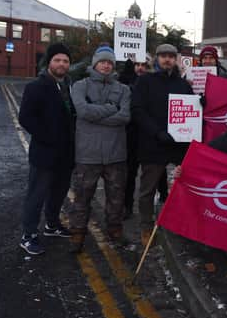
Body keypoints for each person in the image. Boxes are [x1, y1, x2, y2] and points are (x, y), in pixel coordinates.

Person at [131, 43, 195, 247]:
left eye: (171, 56)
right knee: (148, 189)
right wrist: (157, 132)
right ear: (157, 59)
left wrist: (199, 103)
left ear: (176, 59)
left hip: (178, 145)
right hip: (153, 143)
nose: (167, 59)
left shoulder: (183, 84)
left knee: (182, 186)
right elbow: (138, 110)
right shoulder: (145, 81)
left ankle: (180, 222)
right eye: (163, 56)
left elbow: (190, 112)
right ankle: (146, 226)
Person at [68, 46, 131, 252]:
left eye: (110, 62)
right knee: (82, 197)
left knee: (116, 198)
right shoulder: (80, 85)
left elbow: (125, 117)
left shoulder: (124, 89)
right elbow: (83, 111)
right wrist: (111, 108)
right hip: (88, 154)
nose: (106, 65)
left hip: (115, 154)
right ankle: (77, 234)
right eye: (102, 61)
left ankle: (115, 231)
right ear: (95, 63)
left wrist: (97, 114)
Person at [18, 43, 75, 255]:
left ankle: (52, 225)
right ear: (49, 62)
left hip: (66, 154)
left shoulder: (70, 85)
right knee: (37, 195)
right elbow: (25, 118)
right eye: (57, 60)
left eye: (66, 61)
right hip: (44, 153)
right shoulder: (36, 86)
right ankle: (28, 235)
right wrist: (49, 138)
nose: (62, 64)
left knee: (58, 193)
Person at [119, 54, 152, 220]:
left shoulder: (153, 83)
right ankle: (127, 206)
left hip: (149, 136)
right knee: (129, 174)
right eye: (137, 64)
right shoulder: (124, 82)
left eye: (144, 65)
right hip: (131, 136)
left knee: (152, 176)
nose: (141, 68)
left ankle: (150, 209)